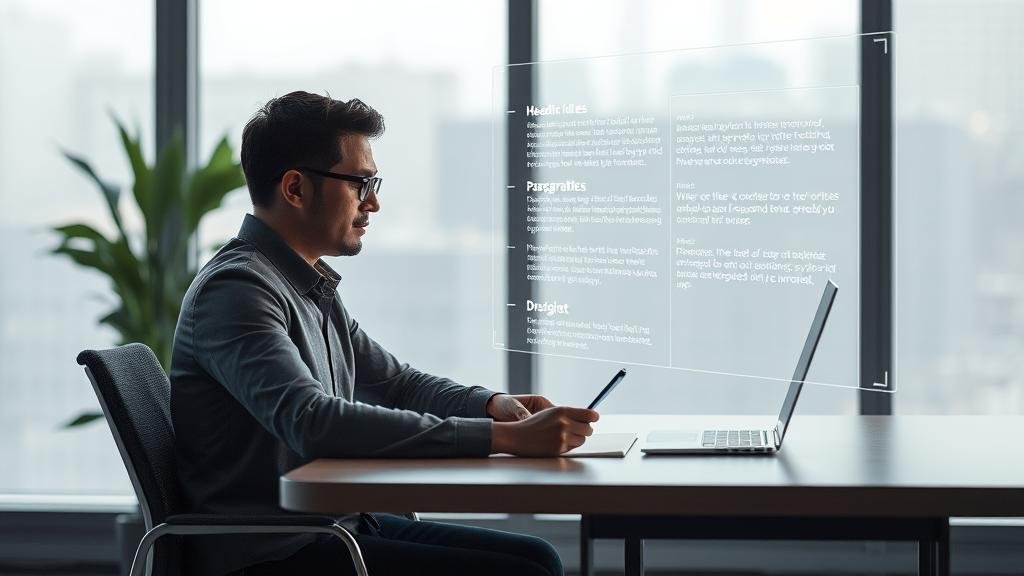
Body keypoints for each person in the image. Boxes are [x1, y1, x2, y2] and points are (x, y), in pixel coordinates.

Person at [169, 90, 599, 576]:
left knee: (537, 558)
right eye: (361, 183)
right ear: (295, 189)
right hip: (274, 552)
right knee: (527, 571)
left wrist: (489, 404)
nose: (373, 202)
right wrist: (504, 438)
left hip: (338, 527)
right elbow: (312, 421)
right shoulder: (239, 290)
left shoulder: (306, 283)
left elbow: (397, 384)